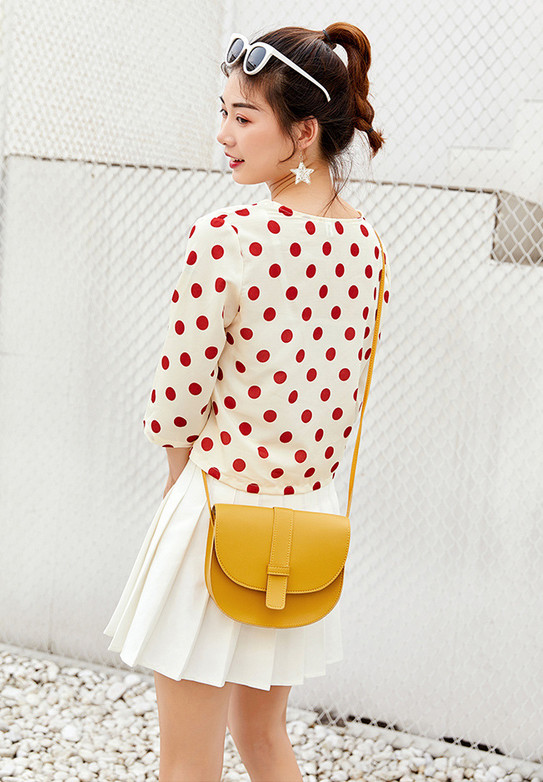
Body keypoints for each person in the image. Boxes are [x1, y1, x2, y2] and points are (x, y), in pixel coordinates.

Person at [103, 22, 391, 782]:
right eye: (223, 112)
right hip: (303, 525)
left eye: (243, 116)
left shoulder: (226, 236)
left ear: (303, 133)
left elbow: (179, 393)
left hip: (216, 510)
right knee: (264, 738)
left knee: (187, 761)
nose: (223, 135)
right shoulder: (368, 247)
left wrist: (177, 490)